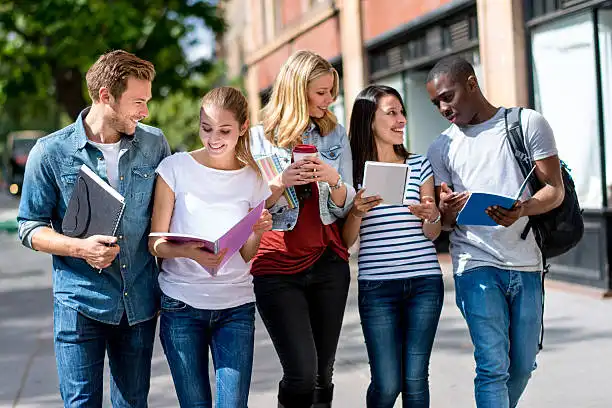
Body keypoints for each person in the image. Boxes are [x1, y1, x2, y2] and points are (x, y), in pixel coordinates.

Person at [17, 50, 170, 407]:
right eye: (137, 102)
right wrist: (80, 248)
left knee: (133, 403)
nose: (145, 112)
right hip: (78, 301)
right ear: (105, 95)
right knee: (81, 404)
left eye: (146, 102)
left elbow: (175, 208)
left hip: (139, 303)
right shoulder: (50, 152)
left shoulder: (154, 143)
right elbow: (29, 226)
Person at [425, 56, 564, 408]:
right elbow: (446, 223)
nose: (443, 107)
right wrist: (447, 211)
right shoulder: (441, 147)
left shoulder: (526, 123)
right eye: (436, 102)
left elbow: (554, 190)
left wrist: (523, 209)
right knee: (492, 366)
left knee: (522, 364)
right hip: (475, 262)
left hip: (526, 262)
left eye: (448, 96)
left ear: (472, 83)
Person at [148, 86, 272, 407]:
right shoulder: (175, 168)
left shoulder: (254, 178)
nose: (214, 138)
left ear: (243, 128)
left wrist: (256, 231)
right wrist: (190, 251)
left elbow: (246, 254)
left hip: (236, 307)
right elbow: (156, 243)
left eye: (224, 130)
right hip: (182, 306)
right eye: (206, 128)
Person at [248, 50, 356, 408]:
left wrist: (334, 177)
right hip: (277, 263)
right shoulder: (258, 138)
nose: (330, 100)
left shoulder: (336, 134)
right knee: (301, 371)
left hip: (328, 261)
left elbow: (346, 203)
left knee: (323, 372)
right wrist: (280, 182)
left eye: (331, 91)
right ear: (297, 91)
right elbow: (249, 208)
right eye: (321, 92)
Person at [343, 85, 444, 408]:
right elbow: (346, 242)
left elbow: (432, 232)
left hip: (424, 283)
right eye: (391, 113)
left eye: (402, 112)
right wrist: (357, 211)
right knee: (387, 385)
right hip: (377, 288)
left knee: (415, 381)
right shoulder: (351, 171)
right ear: (368, 120)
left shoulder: (419, 164)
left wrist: (431, 215)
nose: (401, 120)